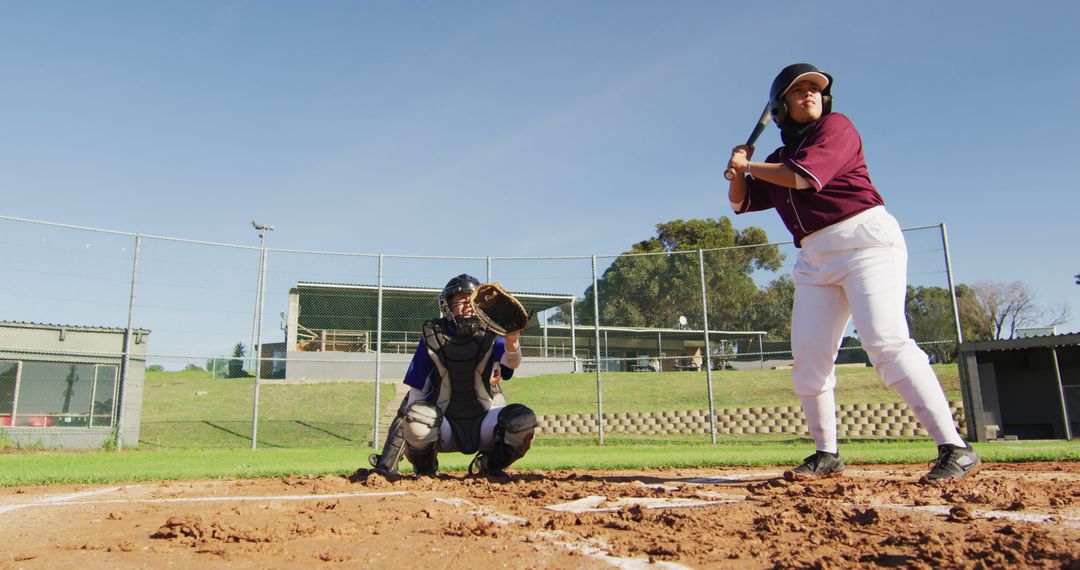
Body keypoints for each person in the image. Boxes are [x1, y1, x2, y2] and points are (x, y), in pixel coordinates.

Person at [726, 63, 979, 481]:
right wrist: (739, 168)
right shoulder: (776, 159)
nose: (809, 95)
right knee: (808, 361)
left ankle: (955, 446)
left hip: (864, 241)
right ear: (781, 106)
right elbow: (740, 203)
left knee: (886, 343)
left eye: (814, 90)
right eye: (798, 91)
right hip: (814, 257)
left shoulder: (836, 128)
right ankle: (827, 455)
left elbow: (803, 180)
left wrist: (749, 167)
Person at [366, 274, 537, 478]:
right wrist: (402, 443)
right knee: (416, 416)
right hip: (444, 425)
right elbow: (416, 391)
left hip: (485, 420)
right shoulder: (433, 335)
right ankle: (425, 469)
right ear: (447, 305)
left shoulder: (491, 333)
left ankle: (490, 466)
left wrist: (512, 342)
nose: (466, 306)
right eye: (459, 301)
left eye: (471, 300)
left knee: (523, 420)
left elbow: (511, 364)